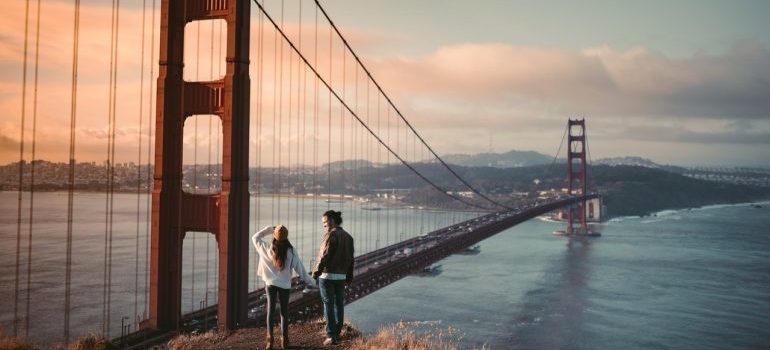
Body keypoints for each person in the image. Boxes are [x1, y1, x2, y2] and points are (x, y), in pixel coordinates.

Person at [252, 224, 316, 350]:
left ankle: (270, 341)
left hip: (270, 284)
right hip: (284, 286)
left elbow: (255, 237)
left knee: (270, 312)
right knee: (284, 312)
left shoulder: (265, 247)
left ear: (274, 236)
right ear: (286, 237)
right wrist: (312, 282)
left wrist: (270, 229)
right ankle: (284, 341)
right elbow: (301, 270)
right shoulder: (291, 251)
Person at [311, 210, 354, 346]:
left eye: (325, 222)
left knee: (328, 304)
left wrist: (316, 272)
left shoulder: (330, 235)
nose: (324, 225)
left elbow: (324, 255)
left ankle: (331, 335)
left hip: (327, 275)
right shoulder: (348, 237)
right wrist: (349, 276)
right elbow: (351, 259)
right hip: (341, 276)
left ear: (332, 220)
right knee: (339, 304)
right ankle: (337, 332)